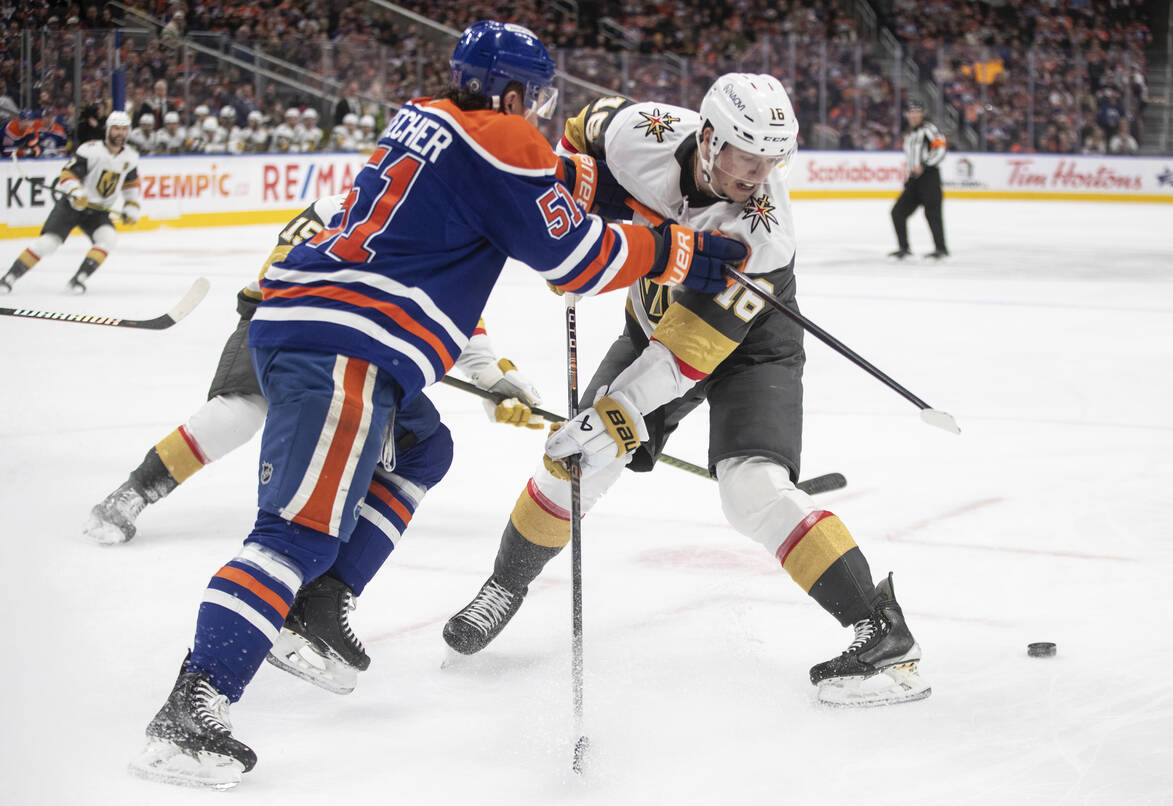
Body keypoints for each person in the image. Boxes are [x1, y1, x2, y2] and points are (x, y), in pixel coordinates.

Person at [128, 20, 746, 790]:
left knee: (427, 449)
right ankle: (193, 708)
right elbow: (573, 259)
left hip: (328, 328)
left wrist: (635, 194)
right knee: (291, 535)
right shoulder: (503, 139)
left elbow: (549, 181)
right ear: (513, 92)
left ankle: (320, 605)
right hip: (343, 345)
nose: (543, 111)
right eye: (537, 97)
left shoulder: (428, 117)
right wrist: (681, 250)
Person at [441, 73, 931, 710]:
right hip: (653, 321)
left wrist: (615, 413)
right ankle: (504, 587)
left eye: (772, 160)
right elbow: (573, 139)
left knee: (750, 489)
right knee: (575, 460)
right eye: (746, 157)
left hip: (749, 348)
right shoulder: (636, 132)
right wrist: (568, 226)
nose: (758, 175)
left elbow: (685, 358)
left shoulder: (763, 233)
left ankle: (880, 631)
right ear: (707, 139)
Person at [85, 194, 545, 547]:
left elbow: (457, 315)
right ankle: (135, 491)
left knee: (400, 434)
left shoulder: (442, 239)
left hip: (351, 352)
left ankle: (339, 520)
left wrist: (490, 377)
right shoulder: (337, 208)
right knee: (237, 414)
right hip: (281, 322)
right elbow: (277, 271)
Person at [1, 111, 140, 294]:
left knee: (108, 239)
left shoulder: (130, 156)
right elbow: (68, 174)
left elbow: (130, 185)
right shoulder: (90, 150)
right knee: (48, 243)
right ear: (107, 130)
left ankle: (78, 280)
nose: (120, 133)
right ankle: (8, 278)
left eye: (123, 129)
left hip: (97, 212)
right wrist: (76, 192)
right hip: (72, 206)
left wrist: (131, 206)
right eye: (116, 129)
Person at [889, 100, 948, 260]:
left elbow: (941, 148)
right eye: (911, 112)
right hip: (915, 179)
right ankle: (903, 247)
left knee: (932, 214)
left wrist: (925, 165)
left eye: (917, 112)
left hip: (929, 177)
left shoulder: (929, 129)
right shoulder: (910, 134)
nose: (914, 115)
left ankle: (941, 248)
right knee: (897, 212)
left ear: (922, 114)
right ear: (907, 115)